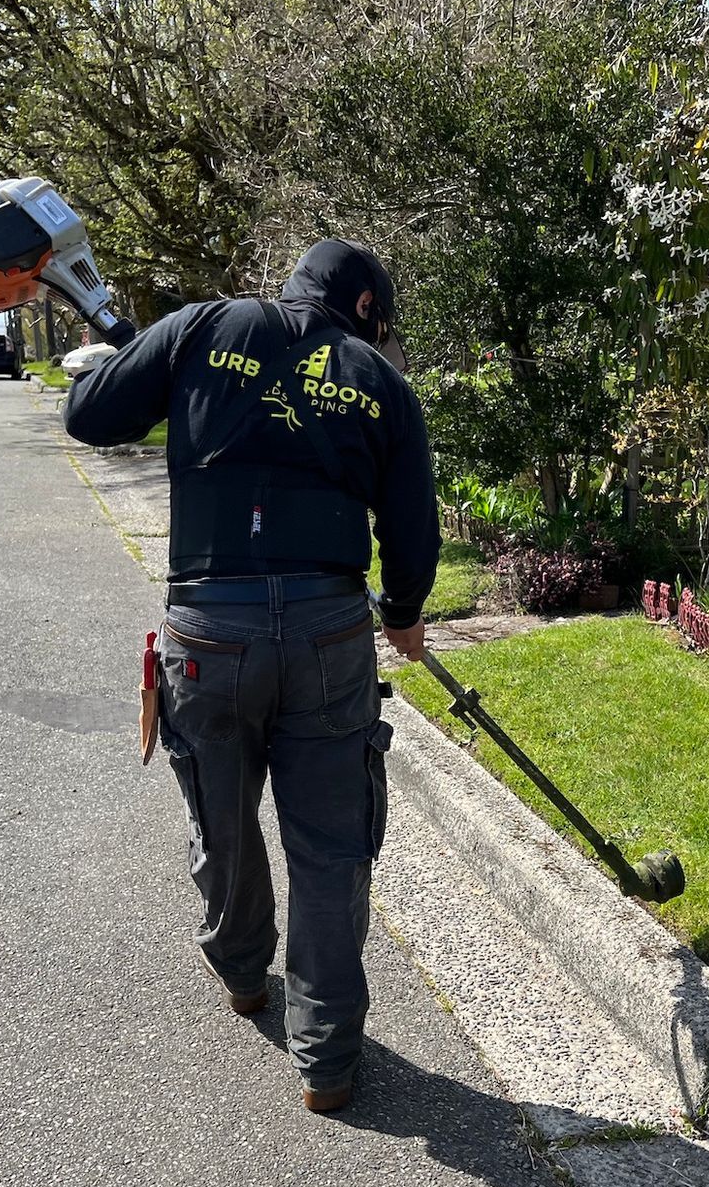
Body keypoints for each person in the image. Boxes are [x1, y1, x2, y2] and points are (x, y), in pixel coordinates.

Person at [63, 240, 440, 1113]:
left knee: (222, 818)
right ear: (367, 314)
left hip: (210, 629)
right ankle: (328, 1062)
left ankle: (241, 973)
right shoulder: (377, 380)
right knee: (331, 847)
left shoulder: (201, 328)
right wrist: (405, 613)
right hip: (328, 629)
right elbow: (412, 520)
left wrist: (107, 358)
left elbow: (91, 415)